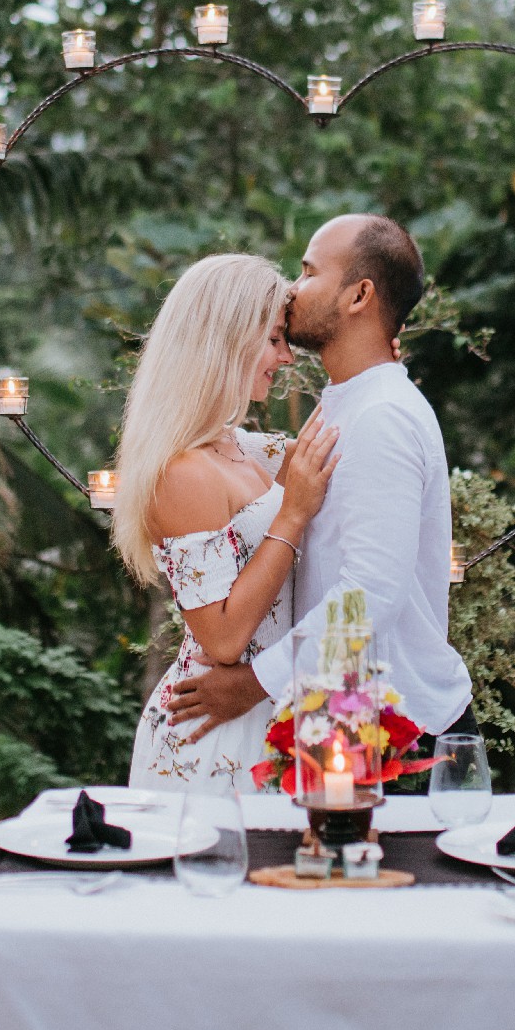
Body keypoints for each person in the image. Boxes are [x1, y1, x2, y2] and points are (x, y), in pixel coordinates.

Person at [165, 215, 474, 751]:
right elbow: (237, 453)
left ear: (359, 296)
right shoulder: (351, 403)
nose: (292, 289)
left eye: (308, 272)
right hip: (346, 724)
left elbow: (371, 592)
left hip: (399, 733)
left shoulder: (381, 416)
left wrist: (255, 683)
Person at [120, 254, 342, 790]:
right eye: (274, 340)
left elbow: (331, 444)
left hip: (269, 710)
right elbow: (221, 639)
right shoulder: (183, 472)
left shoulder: (239, 447)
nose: (285, 357)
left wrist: (370, 369)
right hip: (213, 734)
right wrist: (292, 514)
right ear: (225, 341)